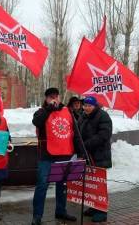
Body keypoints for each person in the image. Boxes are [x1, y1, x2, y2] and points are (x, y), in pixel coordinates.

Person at [31, 88, 79, 225]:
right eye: (51, 97)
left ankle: (61, 211)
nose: (54, 99)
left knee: (62, 185)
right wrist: (49, 109)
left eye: (56, 97)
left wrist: (79, 151)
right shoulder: (41, 112)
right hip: (46, 156)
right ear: (46, 99)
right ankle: (37, 216)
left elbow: (75, 130)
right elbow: (37, 122)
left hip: (64, 154)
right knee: (42, 185)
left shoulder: (67, 111)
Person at [78, 96, 112, 223]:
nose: (86, 108)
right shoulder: (82, 116)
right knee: (90, 183)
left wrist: (86, 144)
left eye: (89, 106)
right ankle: (93, 206)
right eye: (85, 105)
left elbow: (104, 135)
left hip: (99, 155)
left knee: (99, 184)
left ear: (95, 106)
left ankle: (102, 211)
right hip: (86, 155)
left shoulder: (103, 116)